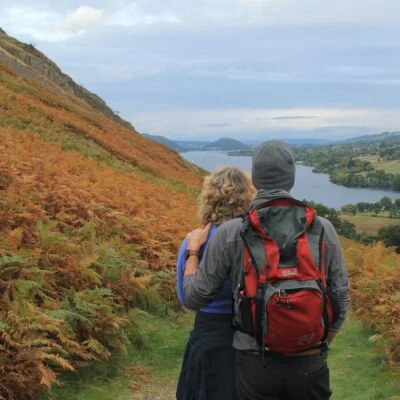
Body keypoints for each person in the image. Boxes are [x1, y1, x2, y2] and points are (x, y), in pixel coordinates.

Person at [183, 140, 350, 400]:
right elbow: (341, 294)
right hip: (309, 359)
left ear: (257, 178)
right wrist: (322, 342)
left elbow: (195, 296)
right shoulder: (322, 228)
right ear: (291, 176)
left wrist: (193, 253)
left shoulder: (232, 231)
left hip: (254, 361)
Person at [176, 166, 256, 400]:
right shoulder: (257, 239)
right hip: (250, 334)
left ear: (209, 198)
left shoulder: (195, 241)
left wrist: (193, 253)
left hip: (209, 334)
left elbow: (185, 297)